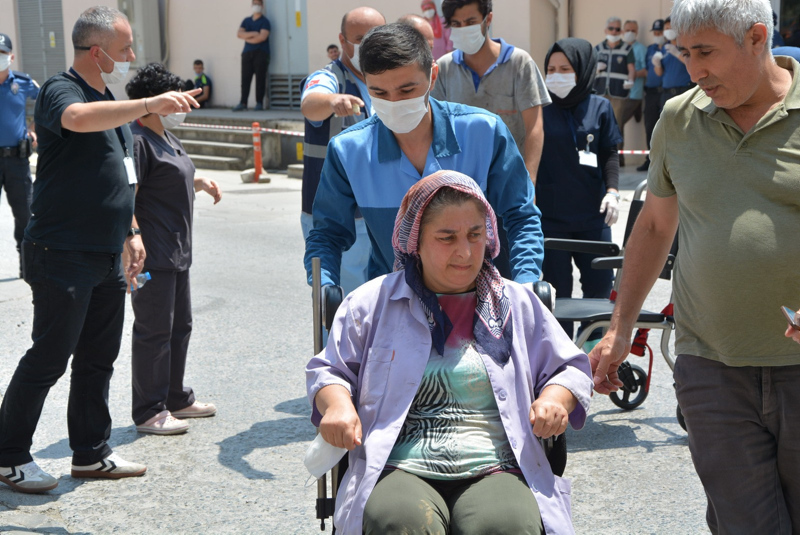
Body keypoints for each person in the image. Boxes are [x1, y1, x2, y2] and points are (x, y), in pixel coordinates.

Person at [589, 0, 800, 532]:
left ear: (757, 38)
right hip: (711, 366)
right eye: (684, 54)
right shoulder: (679, 118)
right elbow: (657, 227)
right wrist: (620, 328)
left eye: (705, 52)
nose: (694, 70)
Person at [307, 170, 593, 534]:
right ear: (416, 242)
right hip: (399, 465)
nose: (465, 251)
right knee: (402, 523)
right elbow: (329, 371)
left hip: (497, 463)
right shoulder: (371, 303)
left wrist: (556, 398)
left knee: (506, 526)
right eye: (447, 237)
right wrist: (338, 405)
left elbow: (569, 368)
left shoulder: (515, 303)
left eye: (475, 235)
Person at [0, 6, 201, 493]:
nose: (132, 57)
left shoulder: (109, 100)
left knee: (97, 358)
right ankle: (8, 457)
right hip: (61, 251)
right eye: (125, 49)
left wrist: (132, 233)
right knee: (49, 356)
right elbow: (76, 119)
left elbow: (123, 176)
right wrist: (147, 103)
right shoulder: (61, 90)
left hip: (107, 253)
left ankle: (90, 453)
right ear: (98, 52)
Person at [303, 23, 544, 290]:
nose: (394, 103)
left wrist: (527, 282)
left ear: (432, 76)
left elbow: (521, 215)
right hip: (393, 306)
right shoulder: (349, 151)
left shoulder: (484, 133)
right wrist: (324, 288)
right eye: (379, 93)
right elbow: (327, 234)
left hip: (477, 303)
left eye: (406, 90)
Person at [125, 63, 221, 435]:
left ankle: (176, 396)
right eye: (175, 99)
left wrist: (200, 181)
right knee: (153, 331)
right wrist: (132, 237)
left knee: (179, 326)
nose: (181, 105)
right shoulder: (137, 140)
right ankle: (149, 409)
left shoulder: (164, 135)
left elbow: (173, 174)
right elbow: (127, 194)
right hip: (153, 255)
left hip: (177, 252)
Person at [537, 38, 622, 344]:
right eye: (550, 69)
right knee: (556, 295)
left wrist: (613, 191)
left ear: (583, 69)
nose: (556, 75)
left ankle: (594, 353)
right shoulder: (538, 108)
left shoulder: (600, 107)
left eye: (565, 68)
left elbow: (610, 152)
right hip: (551, 219)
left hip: (592, 218)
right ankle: (562, 361)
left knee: (599, 291)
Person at [300, 7, 384, 295]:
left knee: (380, 305)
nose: (367, 45)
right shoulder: (330, 77)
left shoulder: (386, 81)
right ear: (342, 40)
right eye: (359, 38)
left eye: (375, 36)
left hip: (379, 210)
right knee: (342, 307)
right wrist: (333, 100)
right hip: (334, 214)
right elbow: (311, 103)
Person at [432, 0, 550, 183]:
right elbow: (436, 128)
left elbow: (534, 126)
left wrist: (529, 179)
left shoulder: (519, 62)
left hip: (510, 179)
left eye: (471, 22)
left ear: (488, 19)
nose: (463, 28)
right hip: (460, 181)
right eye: (456, 24)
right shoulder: (444, 68)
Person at [0, 32, 39, 278]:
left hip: (17, 160)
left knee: (25, 215)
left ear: (11, 56)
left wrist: (34, 129)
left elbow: (48, 100)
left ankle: (29, 268)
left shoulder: (23, 82)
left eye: (2, 54)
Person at [594, 16, 636, 166]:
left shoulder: (627, 48)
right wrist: (595, 69)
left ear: (621, 31)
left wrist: (630, 80)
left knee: (616, 125)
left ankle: (616, 158)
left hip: (618, 93)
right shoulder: (598, 48)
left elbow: (631, 69)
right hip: (599, 92)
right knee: (598, 124)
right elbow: (589, 70)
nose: (614, 31)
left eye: (617, 29)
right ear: (606, 30)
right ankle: (599, 157)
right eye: (611, 28)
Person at [638, 19, 666, 172]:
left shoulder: (670, 48)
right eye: (655, 33)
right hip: (650, 92)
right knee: (649, 126)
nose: (657, 35)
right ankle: (649, 159)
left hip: (665, 92)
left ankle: (663, 161)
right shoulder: (650, 49)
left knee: (664, 127)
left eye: (659, 32)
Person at [618, 20, 647, 166]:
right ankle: (618, 159)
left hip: (634, 94)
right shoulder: (620, 48)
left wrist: (632, 74)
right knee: (617, 123)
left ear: (637, 32)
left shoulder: (641, 49)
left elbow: (647, 70)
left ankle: (618, 159)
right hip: (618, 94)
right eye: (627, 30)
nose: (630, 32)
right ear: (623, 31)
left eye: (633, 30)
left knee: (618, 122)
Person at [233, 0, 271, 111]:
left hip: (261, 53)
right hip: (246, 53)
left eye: (258, 4)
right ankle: (243, 103)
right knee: (245, 78)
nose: (256, 6)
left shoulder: (265, 21)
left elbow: (262, 37)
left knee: (260, 78)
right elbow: (239, 34)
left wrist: (247, 37)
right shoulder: (246, 20)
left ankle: (259, 103)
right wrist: (254, 34)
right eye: (254, 4)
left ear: (262, 6)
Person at [653, 17, 694, 107]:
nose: (669, 31)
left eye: (671, 28)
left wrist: (678, 53)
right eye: (667, 29)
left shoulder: (686, 46)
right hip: (666, 93)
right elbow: (659, 73)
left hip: (683, 91)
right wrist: (657, 64)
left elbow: (692, 64)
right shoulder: (664, 48)